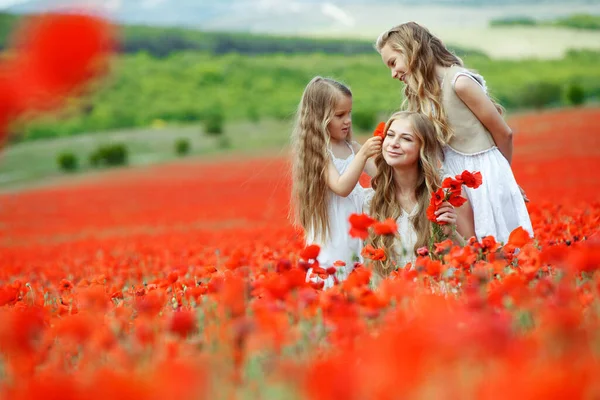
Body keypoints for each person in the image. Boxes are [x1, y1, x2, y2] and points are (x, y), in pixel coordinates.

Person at [375, 22, 533, 243]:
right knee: (469, 247)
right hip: (452, 174)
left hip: (484, 172)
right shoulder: (423, 94)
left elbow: (504, 133)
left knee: (496, 242)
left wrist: (504, 179)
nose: (393, 73)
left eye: (393, 62)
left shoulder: (459, 83)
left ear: (410, 50)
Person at [290, 76, 382, 288]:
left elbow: (380, 176)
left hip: (355, 229)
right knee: (336, 271)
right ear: (319, 119)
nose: (347, 120)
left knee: (357, 273)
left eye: (349, 113)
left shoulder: (352, 147)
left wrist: (387, 152)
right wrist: (363, 155)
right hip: (334, 230)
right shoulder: (319, 152)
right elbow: (341, 187)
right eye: (340, 115)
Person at [364, 111, 475, 281]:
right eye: (390, 135)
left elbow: (474, 259)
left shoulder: (447, 192)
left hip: (439, 296)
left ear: (423, 148)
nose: (393, 143)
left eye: (406, 139)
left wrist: (451, 233)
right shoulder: (371, 201)